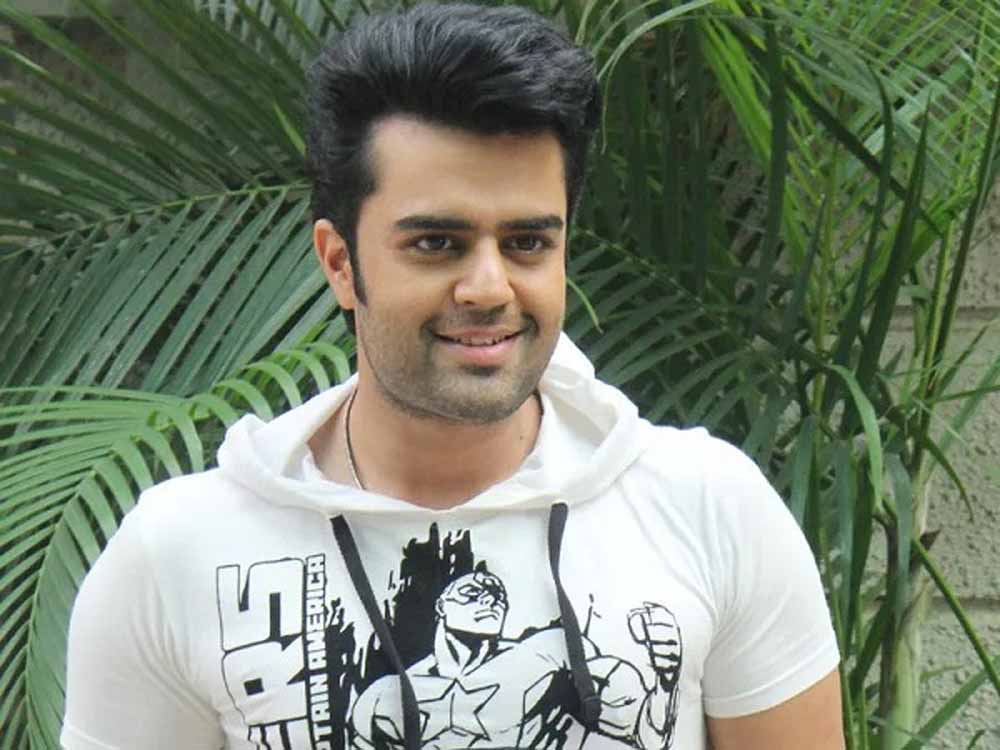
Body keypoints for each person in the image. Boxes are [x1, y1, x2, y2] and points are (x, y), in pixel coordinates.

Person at [61, 4, 845, 750]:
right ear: (340, 263)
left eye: (528, 243)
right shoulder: (180, 552)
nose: (489, 288)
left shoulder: (706, 507)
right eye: (437, 243)